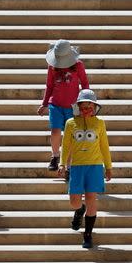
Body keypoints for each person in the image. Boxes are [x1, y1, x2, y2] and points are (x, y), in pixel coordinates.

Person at [59, 89, 112, 249]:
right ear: (78, 107)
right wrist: (62, 163)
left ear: (95, 108)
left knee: (91, 199)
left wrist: (108, 166)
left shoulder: (100, 123)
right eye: (83, 107)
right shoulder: (70, 123)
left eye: (89, 107)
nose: (86, 111)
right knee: (74, 202)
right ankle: (79, 210)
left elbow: (104, 146)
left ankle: (87, 234)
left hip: (95, 166)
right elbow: (66, 145)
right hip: (77, 166)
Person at [37, 39, 89, 172]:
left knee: (70, 135)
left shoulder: (78, 65)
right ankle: (55, 156)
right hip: (55, 104)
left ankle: (69, 165)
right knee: (55, 132)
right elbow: (49, 86)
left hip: (73, 106)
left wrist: (86, 103)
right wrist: (44, 103)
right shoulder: (52, 66)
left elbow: (85, 84)